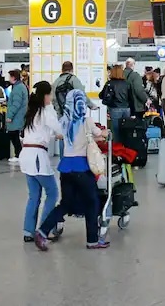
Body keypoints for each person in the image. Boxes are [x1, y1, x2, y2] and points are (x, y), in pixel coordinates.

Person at [33, 89, 110, 251]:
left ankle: (42, 231)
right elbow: (99, 133)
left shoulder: (64, 121)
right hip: (82, 168)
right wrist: (105, 133)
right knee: (92, 202)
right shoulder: (86, 120)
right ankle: (92, 240)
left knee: (66, 203)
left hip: (65, 169)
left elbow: (65, 137)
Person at [20, 81, 63, 243]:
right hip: (38, 157)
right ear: (45, 95)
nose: (51, 97)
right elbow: (58, 129)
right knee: (52, 193)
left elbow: (35, 132)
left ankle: (28, 231)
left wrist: (52, 135)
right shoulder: (47, 110)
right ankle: (45, 230)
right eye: (50, 94)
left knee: (34, 196)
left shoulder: (32, 112)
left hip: (27, 155)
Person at [99, 64, 130, 143]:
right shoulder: (126, 83)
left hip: (115, 109)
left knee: (116, 131)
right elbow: (131, 97)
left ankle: (117, 149)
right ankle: (126, 149)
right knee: (126, 130)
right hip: (127, 109)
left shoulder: (109, 83)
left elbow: (101, 95)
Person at [6, 70, 28, 164]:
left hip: (16, 116)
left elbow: (16, 103)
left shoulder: (18, 88)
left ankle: (18, 154)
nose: (8, 79)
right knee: (14, 134)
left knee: (13, 134)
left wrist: (10, 115)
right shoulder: (21, 86)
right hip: (20, 115)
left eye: (10, 77)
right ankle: (19, 154)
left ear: (13, 77)